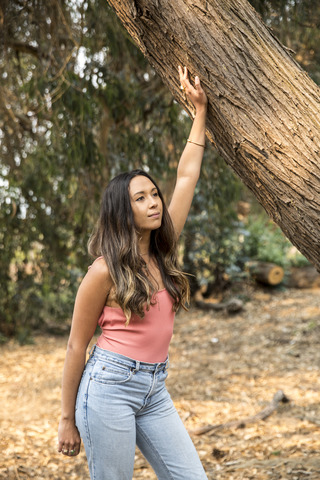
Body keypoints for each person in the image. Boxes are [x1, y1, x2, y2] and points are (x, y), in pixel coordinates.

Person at [57, 66, 208, 480]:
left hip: (154, 388)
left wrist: (199, 111)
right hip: (108, 388)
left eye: (153, 194)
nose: (154, 202)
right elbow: (75, 345)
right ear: (124, 211)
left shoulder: (162, 248)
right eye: (140, 199)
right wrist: (66, 419)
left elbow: (186, 175)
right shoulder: (103, 271)